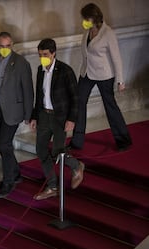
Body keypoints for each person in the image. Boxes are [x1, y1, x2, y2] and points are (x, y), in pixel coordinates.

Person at [69, 3, 132, 151]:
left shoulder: (108, 33)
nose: (83, 21)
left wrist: (120, 80)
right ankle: (77, 141)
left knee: (110, 106)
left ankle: (123, 139)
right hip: (86, 73)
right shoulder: (87, 31)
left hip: (104, 75)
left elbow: (117, 58)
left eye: (86, 18)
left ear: (94, 18)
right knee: (79, 104)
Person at [0, 31, 34, 198]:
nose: (4, 49)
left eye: (8, 46)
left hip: (13, 110)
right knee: (4, 144)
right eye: (1, 46)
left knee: (4, 144)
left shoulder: (21, 62)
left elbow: (28, 90)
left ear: (12, 45)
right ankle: (16, 173)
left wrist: (28, 114)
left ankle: (9, 181)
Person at [30, 38, 85, 200]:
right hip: (44, 115)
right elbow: (39, 96)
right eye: (40, 54)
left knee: (57, 152)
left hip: (60, 117)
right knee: (41, 150)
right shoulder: (40, 69)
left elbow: (75, 98)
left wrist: (72, 119)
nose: (42, 58)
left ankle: (76, 166)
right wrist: (34, 116)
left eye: (45, 54)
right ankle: (53, 185)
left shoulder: (65, 71)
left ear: (53, 53)